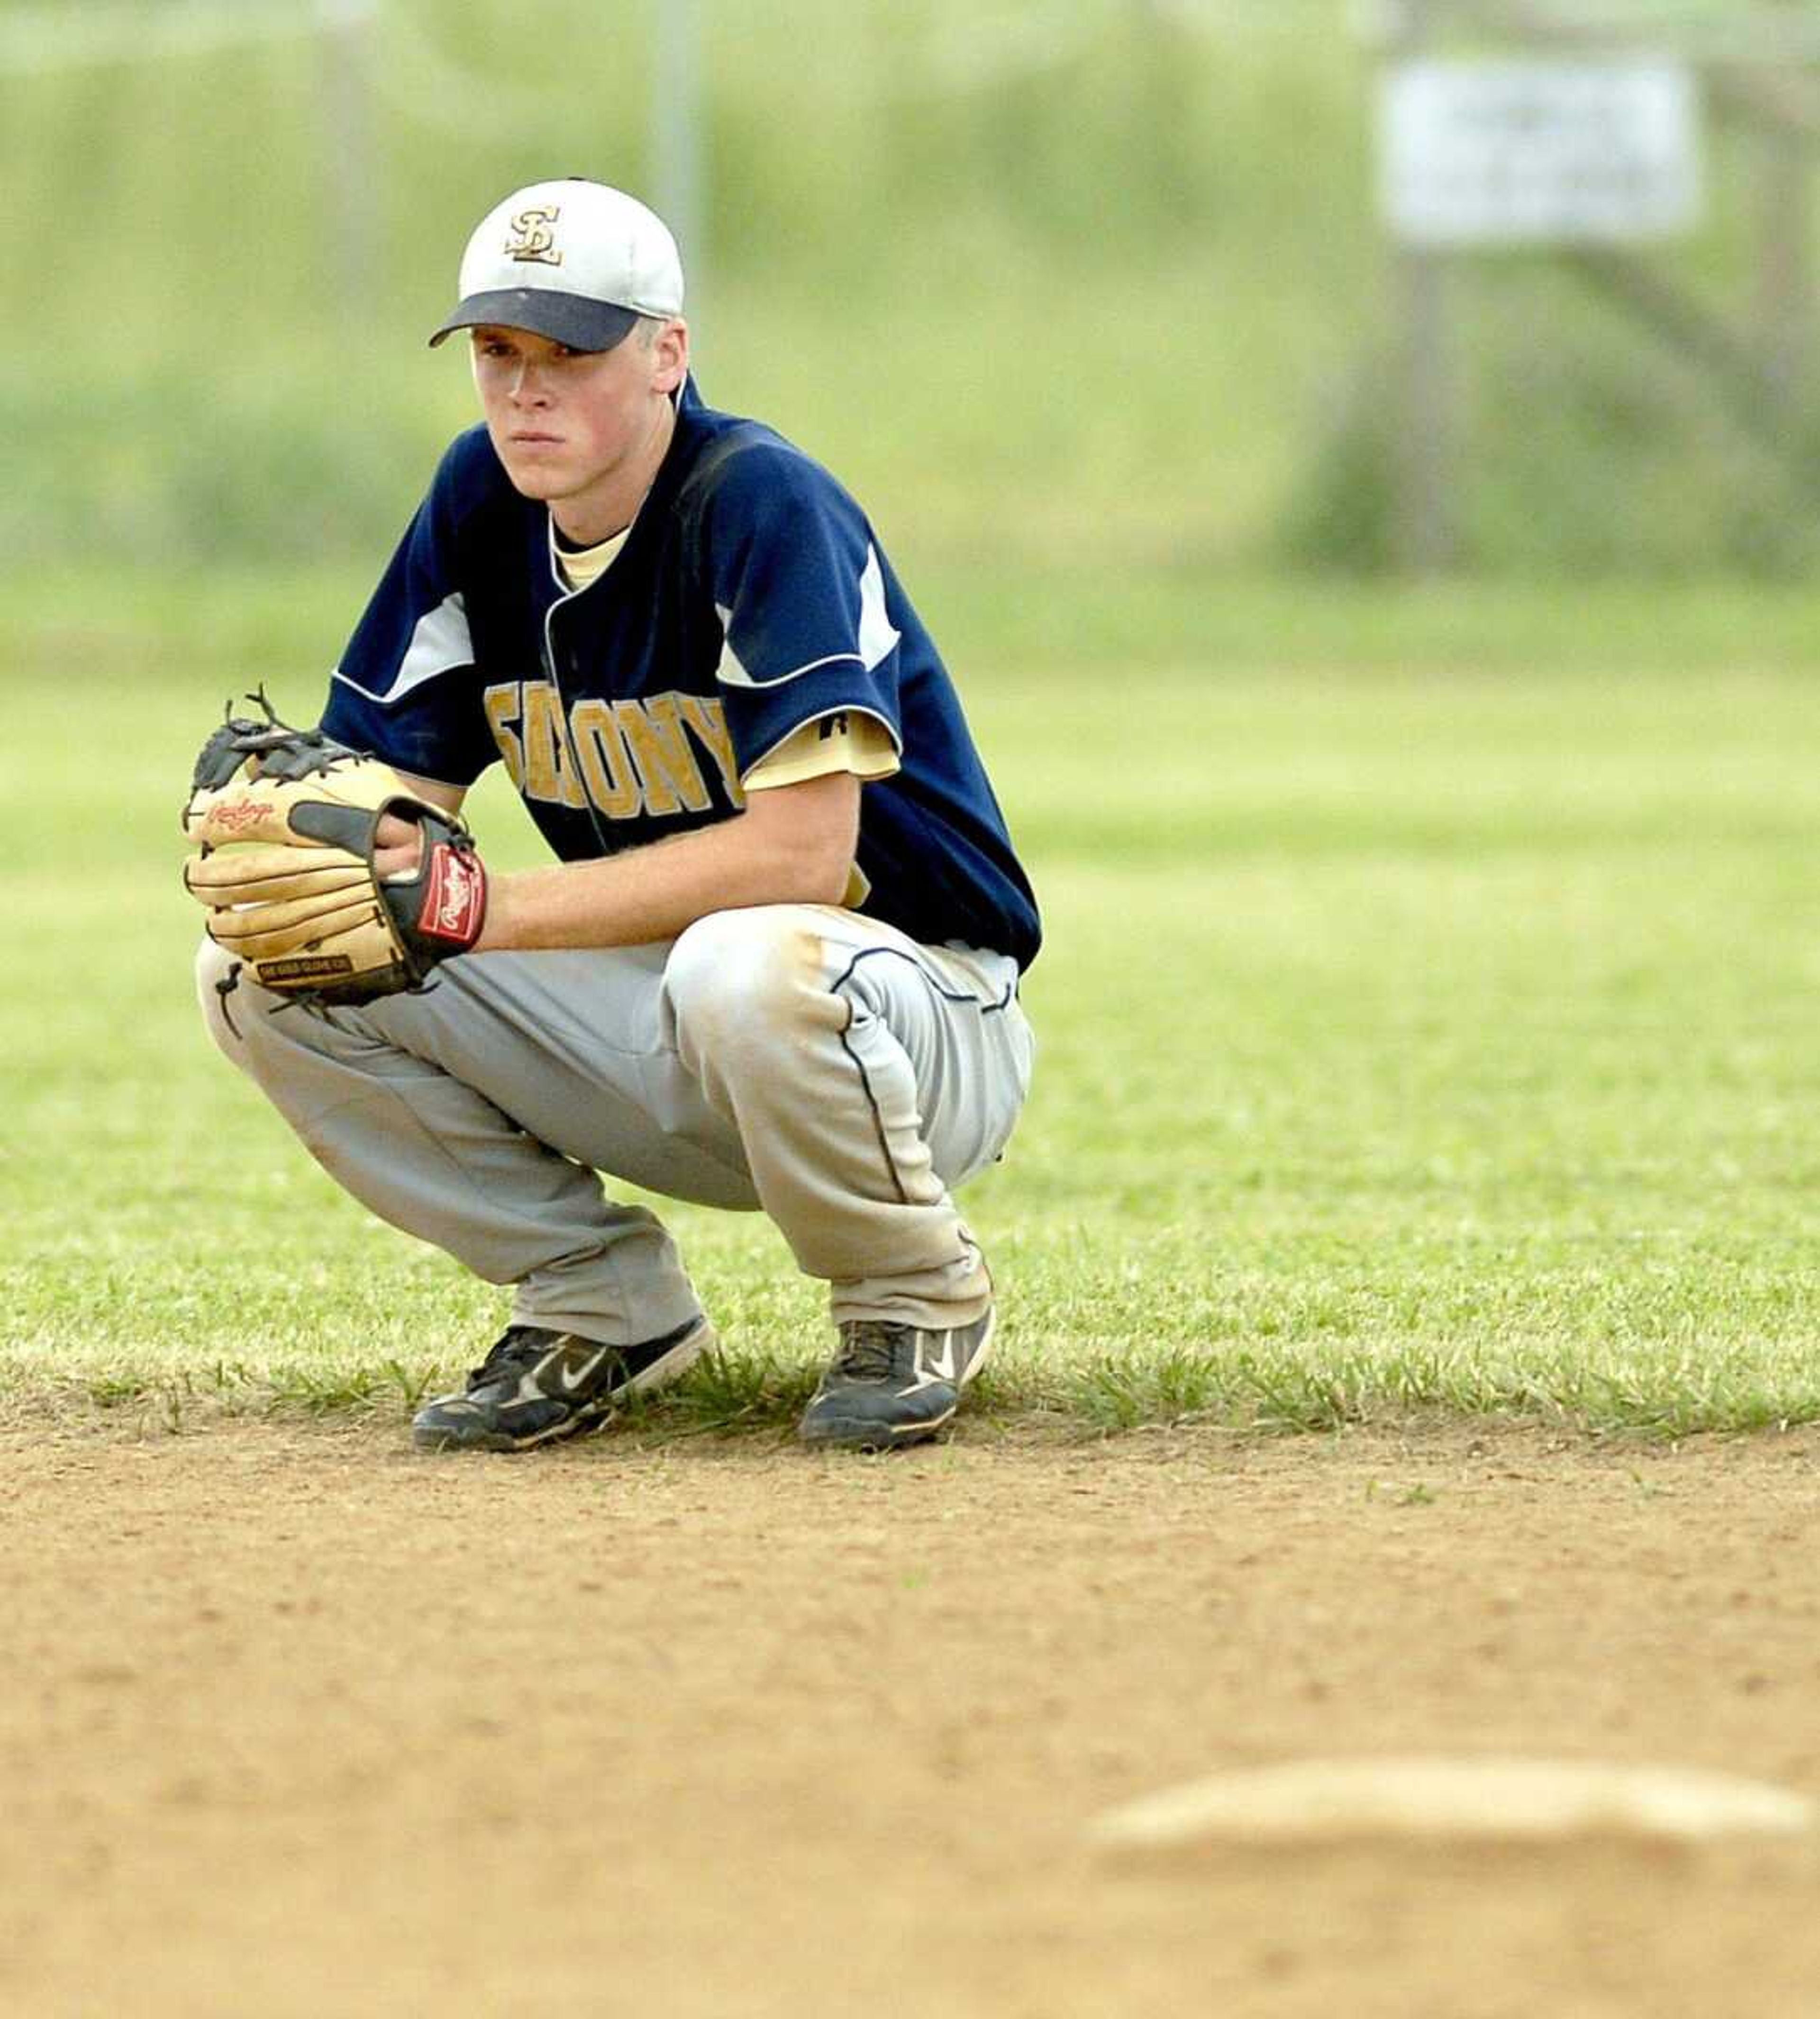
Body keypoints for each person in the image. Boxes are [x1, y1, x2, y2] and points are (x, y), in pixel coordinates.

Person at [193, 178, 1040, 1455]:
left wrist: (486, 906)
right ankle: (603, 1302)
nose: (528, 388)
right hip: (671, 1015)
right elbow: (395, 820)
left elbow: (808, 855)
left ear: (667, 354)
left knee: (742, 957)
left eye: (570, 351)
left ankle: (912, 1294)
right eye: (499, 350)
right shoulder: (480, 503)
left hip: (917, 1013)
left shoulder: (757, 504)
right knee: (268, 970)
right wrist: (313, 838)